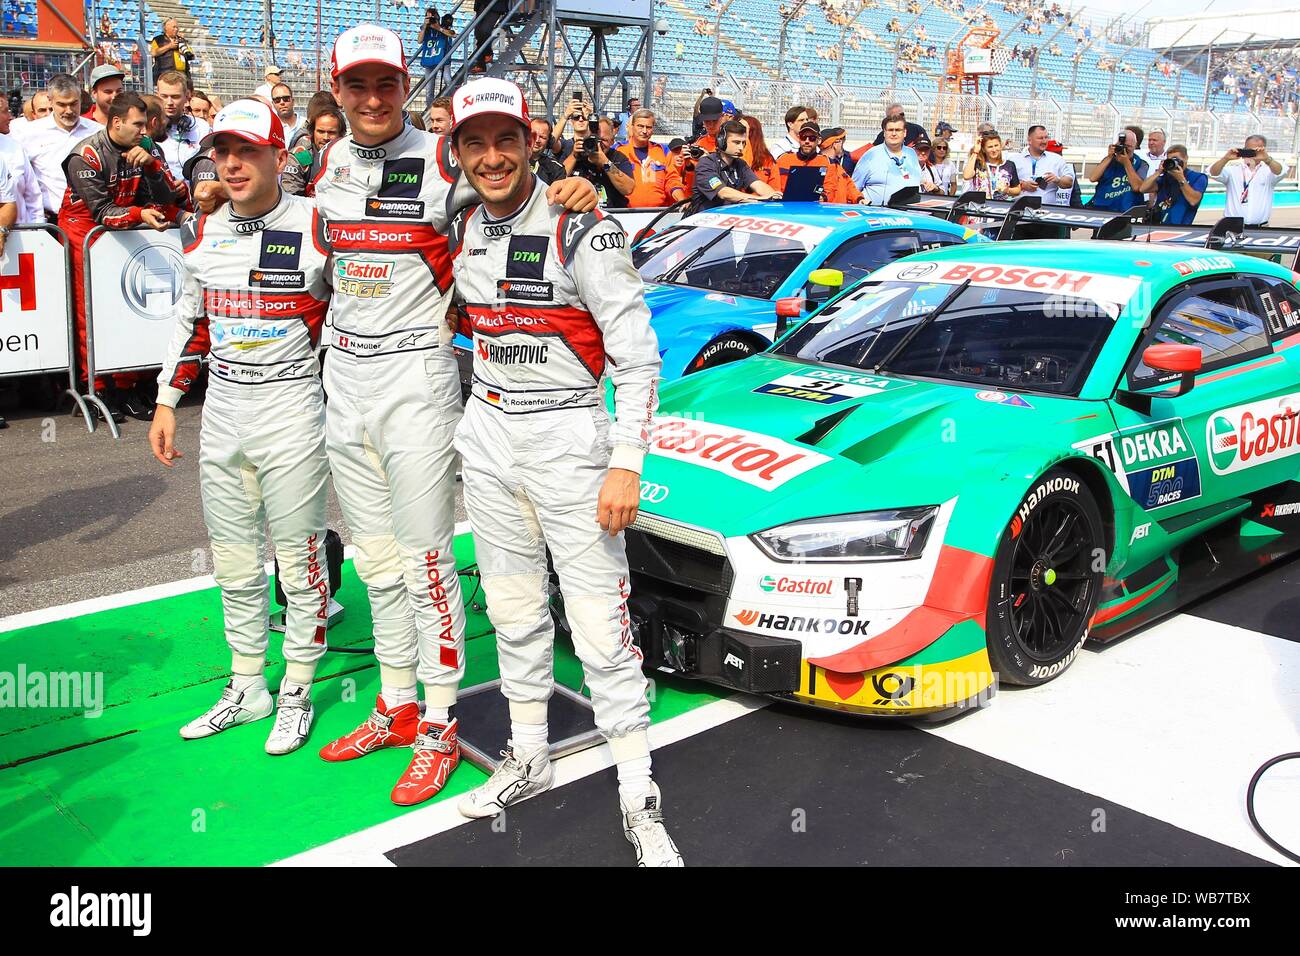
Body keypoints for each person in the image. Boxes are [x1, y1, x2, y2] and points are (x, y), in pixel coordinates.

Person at [305, 25, 595, 806]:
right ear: (336, 91)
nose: (372, 99)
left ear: (406, 87)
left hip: (417, 372)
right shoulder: (328, 161)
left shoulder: (441, 156)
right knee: (374, 558)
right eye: (357, 86)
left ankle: (439, 720)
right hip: (346, 374)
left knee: (428, 557)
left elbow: (516, 190)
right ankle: (396, 702)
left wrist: (574, 185)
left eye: (386, 84)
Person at [446, 77, 682, 866]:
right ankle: (529, 753)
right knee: (512, 614)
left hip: (571, 445)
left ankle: (638, 793)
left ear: (529, 142)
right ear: (458, 152)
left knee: (602, 631)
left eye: (504, 139)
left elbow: (641, 359)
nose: (491, 156)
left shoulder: (583, 226)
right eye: (474, 142)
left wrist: (626, 463)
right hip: (488, 435)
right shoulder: (462, 225)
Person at [149, 100, 333, 754]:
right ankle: (248, 685)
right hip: (223, 411)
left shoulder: (317, 225)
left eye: (247, 151)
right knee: (233, 562)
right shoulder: (201, 232)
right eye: (223, 151)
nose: (231, 163)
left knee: (299, 557)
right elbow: (191, 322)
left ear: (280, 158)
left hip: (291, 408)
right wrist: (169, 398)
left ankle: (298, 691)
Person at [58, 92, 188, 419]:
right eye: (138, 124)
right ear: (117, 122)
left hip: (127, 227)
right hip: (84, 231)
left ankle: (129, 385)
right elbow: (101, 211)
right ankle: (95, 389)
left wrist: (154, 166)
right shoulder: (85, 154)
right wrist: (139, 215)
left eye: (146, 124)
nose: (145, 131)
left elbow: (166, 196)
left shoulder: (147, 147)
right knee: (91, 312)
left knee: (134, 309)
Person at [14, 74, 102, 219]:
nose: (69, 110)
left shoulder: (98, 132)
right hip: (50, 221)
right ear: (50, 101)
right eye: (61, 104)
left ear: (81, 99)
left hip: (90, 219)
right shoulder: (28, 134)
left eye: (74, 103)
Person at [691, 119, 780, 212]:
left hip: (727, 218)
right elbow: (723, 193)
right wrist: (760, 198)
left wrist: (773, 196)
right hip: (703, 220)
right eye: (736, 142)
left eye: (743, 143)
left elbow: (758, 185)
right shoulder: (706, 164)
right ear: (722, 142)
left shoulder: (740, 164)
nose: (741, 147)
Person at [1209, 135, 1287, 226]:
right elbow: (1213, 172)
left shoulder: (1269, 171)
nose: (1250, 154)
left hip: (1261, 228)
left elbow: (1280, 171)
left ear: (1263, 150)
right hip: (1232, 227)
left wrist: (1267, 159)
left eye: (1255, 151)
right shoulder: (1232, 170)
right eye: (1247, 150)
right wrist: (1225, 159)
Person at [1013, 124, 1074, 237]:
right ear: (1029, 140)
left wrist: (1057, 179)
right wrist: (1022, 185)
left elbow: (1069, 182)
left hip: (1048, 218)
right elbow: (1005, 184)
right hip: (1020, 216)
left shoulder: (1057, 159)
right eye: (1040, 138)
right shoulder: (1015, 159)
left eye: (1046, 137)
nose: (1044, 141)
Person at [616, 108, 684, 207]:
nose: (644, 131)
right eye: (640, 126)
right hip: (626, 213)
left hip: (658, 213)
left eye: (648, 127)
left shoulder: (663, 151)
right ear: (632, 127)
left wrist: (681, 200)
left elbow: (672, 180)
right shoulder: (618, 150)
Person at [563, 114, 634, 208]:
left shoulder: (618, 158)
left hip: (612, 215)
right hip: (581, 215)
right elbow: (558, 180)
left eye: (603, 140)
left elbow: (628, 189)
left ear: (612, 141)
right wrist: (574, 156)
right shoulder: (574, 154)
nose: (598, 144)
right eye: (593, 139)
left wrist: (606, 163)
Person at [776, 120, 855, 203]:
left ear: (819, 140)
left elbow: (830, 188)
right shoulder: (783, 159)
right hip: (785, 207)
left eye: (812, 138)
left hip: (815, 208)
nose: (807, 141)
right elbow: (773, 184)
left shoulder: (827, 162)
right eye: (803, 137)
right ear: (799, 138)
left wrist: (823, 197)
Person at [852, 114, 922, 204]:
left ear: (904, 133)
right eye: (890, 130)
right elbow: (854, 188)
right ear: (884, 133)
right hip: (877, 214)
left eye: (898, 130)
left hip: (908, 213)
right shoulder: (871, 155)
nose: (893, 134)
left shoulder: (912, 153)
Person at [156, 71, 209, 181]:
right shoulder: (149, 129)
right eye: (164, 96)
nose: (169, 102)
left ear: (187, 96)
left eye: (175, 97)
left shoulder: (202, 127)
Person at [282, 106, 345, 196]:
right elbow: (291, 197)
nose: (325, 137)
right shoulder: (301, 156)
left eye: (331, 132)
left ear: (341, 134)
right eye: (321, 131)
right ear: (312, 132)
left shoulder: (348, 156)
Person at [1139, 145, 1206, 226]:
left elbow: (1193, 201)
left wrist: (1181, 179)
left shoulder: (1198, 177)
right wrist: (1158, 172)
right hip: (1158, 226)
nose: (1174, 162)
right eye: (1170, 160)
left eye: (1176, 159)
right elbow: (1143, 189)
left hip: (1180, 228)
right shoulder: (1165, 178)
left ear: (1185, 158)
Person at [0, 96, 42, 224]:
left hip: (23, 237)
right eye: (5, 111)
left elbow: (33, 196)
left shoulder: (14, 147)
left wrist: (37, 230)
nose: (10, 117)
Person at [1086, 125, 1147, 212]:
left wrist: (1126, 163)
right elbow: (1093, 178)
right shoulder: (1108, 160)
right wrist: (1109, 157)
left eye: (1128, 147)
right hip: (1103, 208)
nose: (1124, 150)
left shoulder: (1141, 164)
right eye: (1122, 146)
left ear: (1135, 146)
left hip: (1127, 209)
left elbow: (1137, 187)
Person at [962, 129, 1021, 200]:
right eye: (990, 147)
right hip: (979, 206)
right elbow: (966, 176)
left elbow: (1018, 189)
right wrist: (976, 151)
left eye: (996, 145)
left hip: (1000, 207)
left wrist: (1007, 190)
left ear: (1000, 146)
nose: (994, 150)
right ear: (983, 149)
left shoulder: (1009, 165)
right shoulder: (977, 163)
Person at [740, 114, 780, 188]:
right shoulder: (733, 156)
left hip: (762, 198)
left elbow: (775, 190)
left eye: (741, 129)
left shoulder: (768, 161)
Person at [150, 18, 193, 84]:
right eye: (174, 27)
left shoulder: (181, 40)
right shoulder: (158, 40)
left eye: (177, 27)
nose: (176, 29)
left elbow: (192, 56)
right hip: (165, 74)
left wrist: (185, 53)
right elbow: (153, 53)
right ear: (166, 28)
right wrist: (169, 46)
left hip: (183, 75)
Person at [528, 117, 565, 184]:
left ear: (549, 141)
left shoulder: (556, 169)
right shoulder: (512, 160)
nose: (537, 140)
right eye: (533, 135)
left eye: (542, 137)